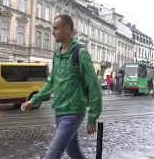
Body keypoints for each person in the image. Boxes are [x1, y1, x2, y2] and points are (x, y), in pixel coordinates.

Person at [21, 14, 102, 159]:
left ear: (67, 29)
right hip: (59, 112)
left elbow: (94, 85)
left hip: (73, 113)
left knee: (52, 155)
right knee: (73, 152)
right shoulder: (57, 54)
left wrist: (92, 118)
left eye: (55, 28)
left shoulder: (80, 53)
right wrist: (34, 100)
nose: (52, 32)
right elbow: (51, 82)